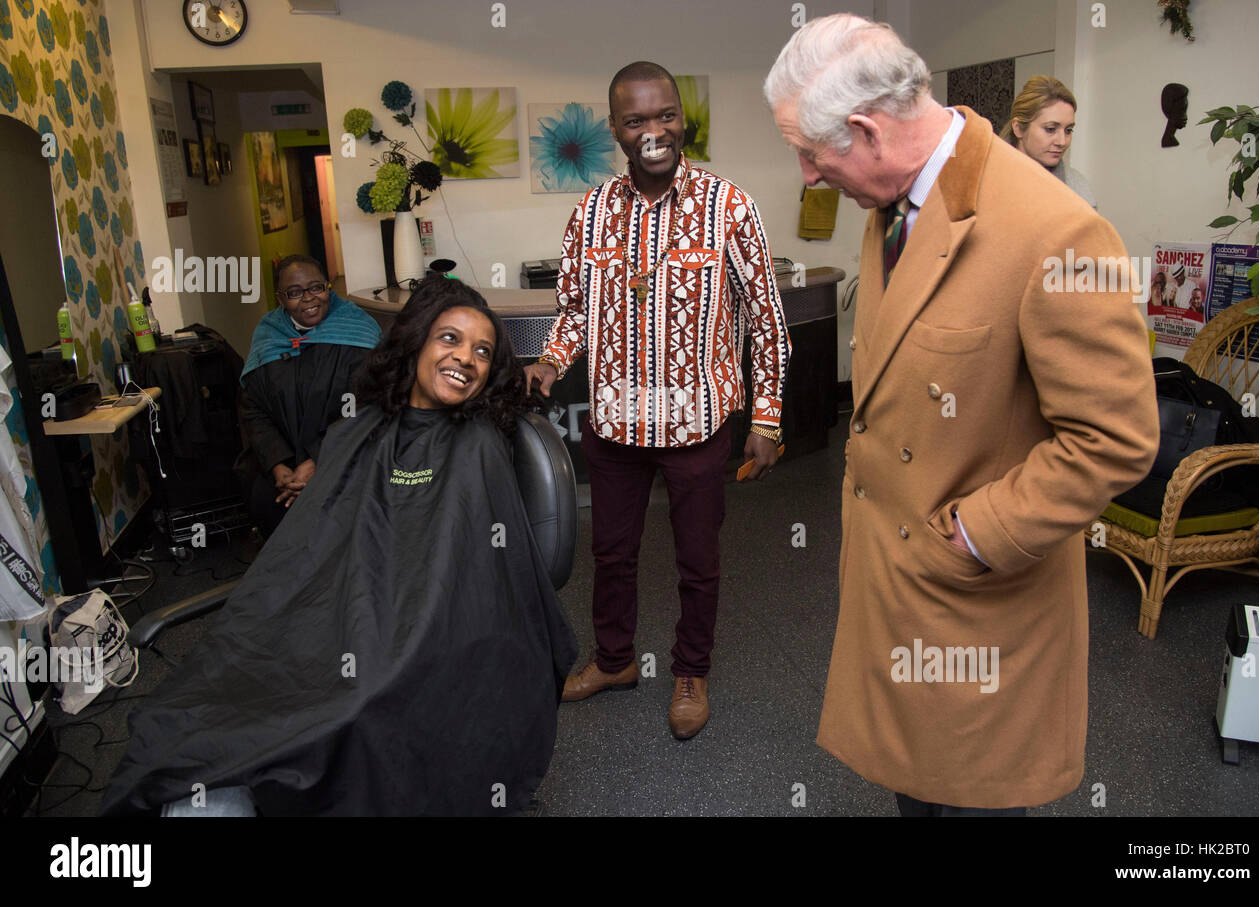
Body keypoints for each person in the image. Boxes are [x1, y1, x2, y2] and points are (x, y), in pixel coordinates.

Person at [765, 15, 1158, 815]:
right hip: (894, 583)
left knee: (979, 793)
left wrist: (978, 533)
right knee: (915, 788)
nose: (806, 175)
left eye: (811, 152)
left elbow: (1116, 437)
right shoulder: (892, 206)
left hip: (979, 593)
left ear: (870, 131)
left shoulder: (1061, 231)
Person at [102, 277, 577, 816]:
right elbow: (311, 551)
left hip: (416, 645)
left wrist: (386, 645)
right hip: (330, 623)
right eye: (450, 339)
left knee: (350, 707)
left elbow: (467, 579)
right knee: (201, 718)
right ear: (417, 342)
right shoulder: (357, 431)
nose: (465, 358)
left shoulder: (478, 447)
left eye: (482, 351)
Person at [524, 61, 791, 741]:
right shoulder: (590, 211)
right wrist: (553, 358)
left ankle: (690, 669)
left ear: (683, 119)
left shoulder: (729, 205)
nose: (654, 130)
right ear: (615, 129)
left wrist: (766, 417)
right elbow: (575, 309)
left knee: (697, 559)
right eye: (637, 119)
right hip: (614, 426)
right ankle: (614, 660)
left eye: (665, 115)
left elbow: (767, 320)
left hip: (698, 426)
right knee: (610, 553)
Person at [235, 254, 380, 538]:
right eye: (295, 293)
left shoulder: (358, 331)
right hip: (284, 460)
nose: (309, 299)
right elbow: (253, 408)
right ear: (280, 298)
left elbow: (368, 408)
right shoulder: (268, 335)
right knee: (265, 501)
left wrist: (316, 459)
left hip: (346, 453)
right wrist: (279, 466)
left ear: (328, 287)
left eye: (316, 288)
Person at [1001, 75, 1096, 208]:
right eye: (1050, 129)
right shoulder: (983, 181)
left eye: (1068, 130)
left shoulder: (1079, 189)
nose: (1062, 142)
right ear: (1018, 129)